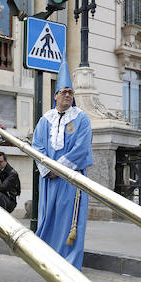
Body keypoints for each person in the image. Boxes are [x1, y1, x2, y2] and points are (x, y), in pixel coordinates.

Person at [32, 59, 93, 269]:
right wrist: (47, 169)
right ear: (55, 95)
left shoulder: (82, 119)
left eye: (70, 92)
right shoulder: (44, 120)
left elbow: (82, 148)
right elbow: (37, 146)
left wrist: (59, 169)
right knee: (48, 216)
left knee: (68, 220)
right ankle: (47, 257)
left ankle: (67, 261)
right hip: (49, 179)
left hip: (71, 179)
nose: (67, 95)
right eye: (64, 91)